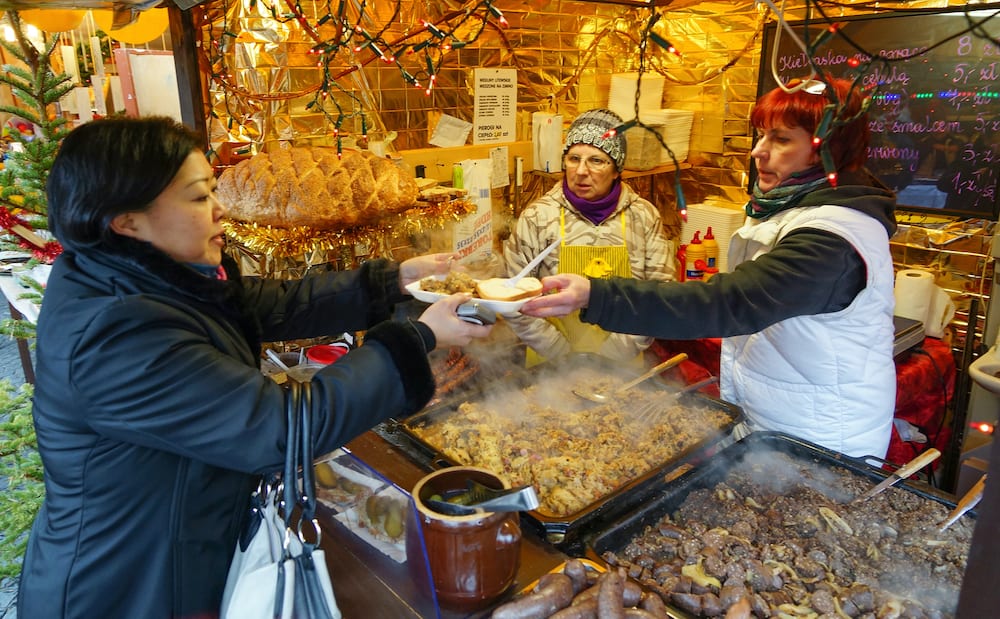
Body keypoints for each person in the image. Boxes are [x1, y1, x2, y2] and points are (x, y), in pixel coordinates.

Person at [16, 116, 492, 618]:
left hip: (178, 555)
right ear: (126, 220)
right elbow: (278, 428)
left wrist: (394, 281)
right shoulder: (114, 334)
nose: (221, 209)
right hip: (125, 588)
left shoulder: (145, 278)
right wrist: (418, 338)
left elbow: (275, 302)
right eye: (199, 198)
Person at [522, 78, 898, 459]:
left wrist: (596, 294)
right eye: (762, 136)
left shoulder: (832, 238)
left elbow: (728, 302)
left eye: (781, 140)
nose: (758, 152)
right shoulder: (791, 211)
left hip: (819, 437)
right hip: (781, 419)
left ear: (829, 151)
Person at [503, 108, 674, 364]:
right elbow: (512, 295)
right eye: (574, 158)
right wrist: (560, 355)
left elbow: (661, 294)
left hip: (622, 365)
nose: (581, 171)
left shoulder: (644, 216)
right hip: (551, 366)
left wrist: (613, 355)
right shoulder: (537, 217)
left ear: (617, 170)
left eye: (596, 160)